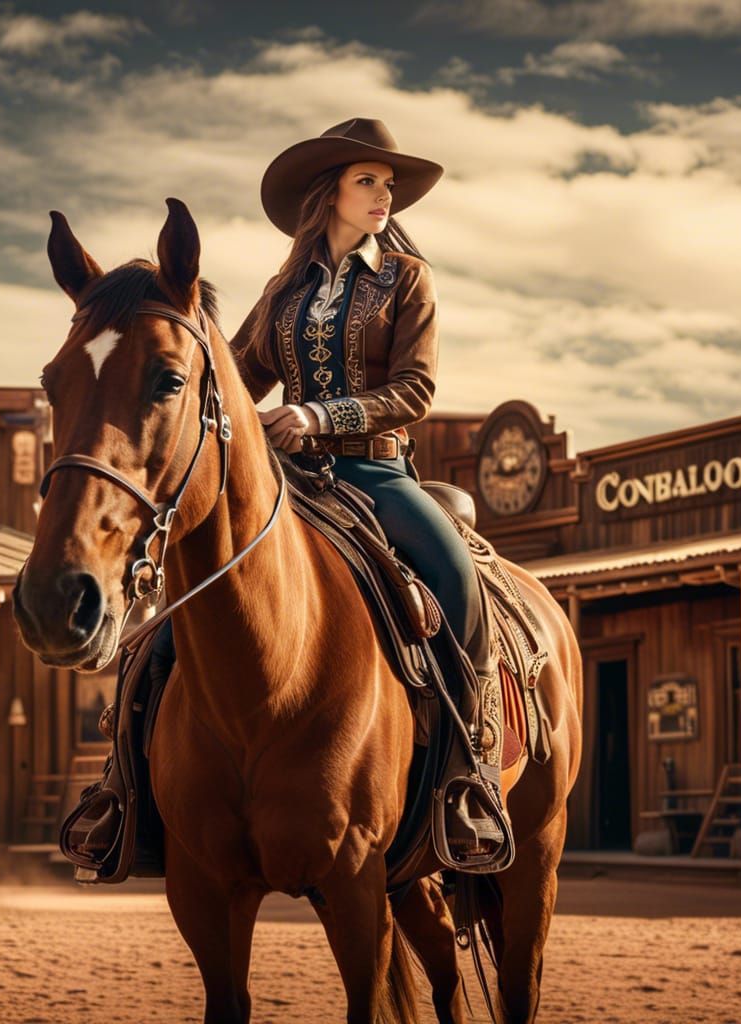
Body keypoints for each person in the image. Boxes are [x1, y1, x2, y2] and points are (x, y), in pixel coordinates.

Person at [230, 118, 507, 856]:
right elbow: (234, 378)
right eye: (368, 181)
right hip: (287, 481)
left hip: (375, 472)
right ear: (330, 193)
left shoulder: (407, 278)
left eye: (387, 184)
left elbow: (416, 389)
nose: (385, 195)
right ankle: (126, 783)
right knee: (189, 591)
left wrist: (317, 415)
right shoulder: (281, 292)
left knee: (456, 577)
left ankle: (469, 772)